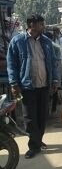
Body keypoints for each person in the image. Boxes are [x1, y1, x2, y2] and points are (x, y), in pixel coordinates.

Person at [7, 15, 58, 159]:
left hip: (44, 85)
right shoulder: (17, 41)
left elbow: (52, 62)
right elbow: (12, 64)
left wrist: (54, 80)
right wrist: (14, 83)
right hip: (27, 86)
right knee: (29, 118)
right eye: (41, 24)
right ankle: (33, 146)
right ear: (32, 25)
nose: (44, 26)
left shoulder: (46, 42)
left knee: (42, 116)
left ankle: (38, 139)